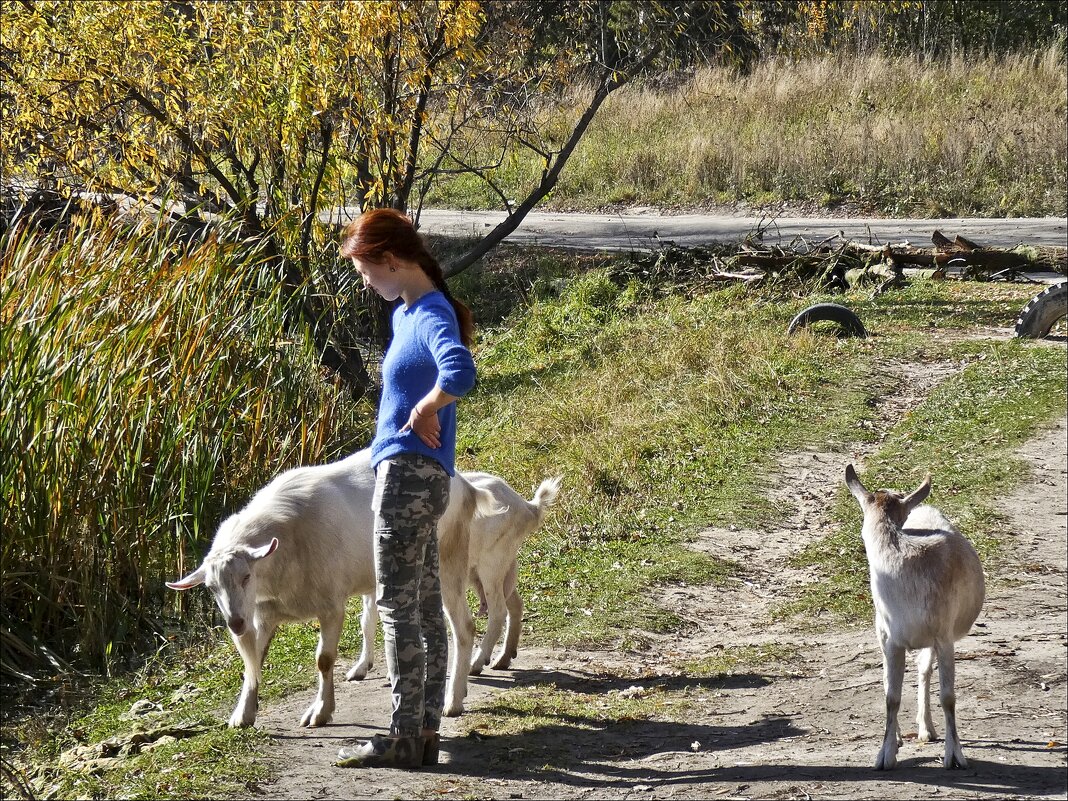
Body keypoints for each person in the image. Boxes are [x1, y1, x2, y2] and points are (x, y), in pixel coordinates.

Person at [335, 208, 476, 769]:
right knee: (419, 605)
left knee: (396, 605)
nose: (368, 284)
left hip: (408, 478)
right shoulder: (409, 314)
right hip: (423, 478)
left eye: (368, 272)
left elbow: (460, 373)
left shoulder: (431, 313)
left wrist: (423, 407)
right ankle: (422, 735)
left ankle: (402, 735)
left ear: (391, 260)